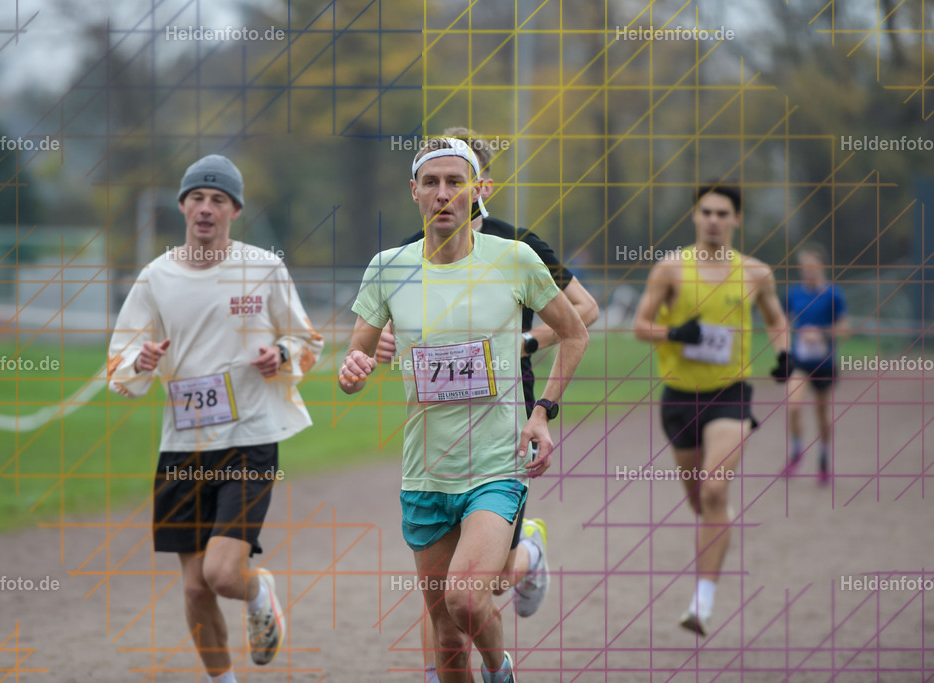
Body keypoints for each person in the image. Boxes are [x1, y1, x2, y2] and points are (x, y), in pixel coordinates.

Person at [340, 137, 588, 682]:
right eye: (431, 182)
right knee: (446, 635)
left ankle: (501, 674)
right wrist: (352, 370)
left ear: (478, 191)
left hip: (494, 465)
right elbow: (356, 357)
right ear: (414, 192)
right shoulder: (388, 268)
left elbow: (576, 329)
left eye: (456, 182)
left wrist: (542, 411)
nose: (444, 194)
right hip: (425, 471)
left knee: (468, 601)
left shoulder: (515, 257)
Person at [107, 154, 324, 683]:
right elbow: (117, 366)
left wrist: (281, 355)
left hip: (249, 438)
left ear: (235, 210)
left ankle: (257, 589)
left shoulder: (263, 268)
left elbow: (307, 341)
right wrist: (144, 360)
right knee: (194, 588)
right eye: (197, 198)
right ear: (183, 206)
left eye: (218, 200)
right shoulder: (155, 277)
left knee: (224, 575)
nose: (206, 208)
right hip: (182, 445)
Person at [632, 183, 789, 637]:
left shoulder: (756, 272)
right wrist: (673, 333)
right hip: (679, 398)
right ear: (695, 216)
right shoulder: (670, 269)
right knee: (701, 502)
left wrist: (784, 355)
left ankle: (702, 603)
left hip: (730, 393)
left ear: (736, 219)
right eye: (706, 212)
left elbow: (776, 320)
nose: (714, 220)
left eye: (723, 212)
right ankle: (718, 529)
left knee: (716, 490)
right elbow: (641, 326)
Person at [782, 243, 847, 484]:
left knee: (821, 414)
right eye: (804, 267)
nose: (807, 270)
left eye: (812, 266)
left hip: (824, 362)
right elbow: (780, 319)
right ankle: (797, 454)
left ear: (821, 266)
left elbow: (844, 328)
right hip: (801, 361)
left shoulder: (833, 295)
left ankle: (823, 459)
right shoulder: (794, 294)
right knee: (794, 405)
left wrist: (820, 333)